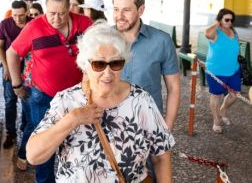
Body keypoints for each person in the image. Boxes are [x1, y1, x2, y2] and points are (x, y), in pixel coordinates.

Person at [26, 23, 175, 182]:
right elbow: (34, 156)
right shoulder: (67, 101)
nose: (108, 73)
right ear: (85, 64)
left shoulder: (141, 100)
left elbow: (160, 157)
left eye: (116, 63)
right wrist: (72, 119)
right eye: (99, 64)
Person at [6, 0, 92, 182]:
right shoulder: (35, 27)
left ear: (69, 8)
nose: (57, 18)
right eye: (52, 13)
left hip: (78, 96)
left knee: (77, 143)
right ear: (46, 8)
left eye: (62, 13)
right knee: (46, 146)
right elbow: (12, 53)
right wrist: (16, 83)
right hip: (44, 97)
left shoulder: (85, 24)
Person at [112, 0, 180, 131]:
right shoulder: (101, 39)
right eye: (116, 9)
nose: (119, 16)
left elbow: (174, 87)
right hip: (110, 124)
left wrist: (166, 130)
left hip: (149, 125)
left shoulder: (162, 41)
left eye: (126, 10)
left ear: (141, 10)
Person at [0, 0, 32, 153]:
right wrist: (6, 67)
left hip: (29, 70)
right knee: (10, 101)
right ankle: (10, 132)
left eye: (21, 15)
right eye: (14, 15)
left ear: (27, 12)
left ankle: (26, 129)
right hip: (9, 68)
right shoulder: (4, 24)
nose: (17, 19)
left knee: (27, 101)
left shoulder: (33, 24)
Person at [205, 8, 240, 133]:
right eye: (226, 19)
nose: (229, 22)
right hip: (216, 71)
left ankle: (223, 109)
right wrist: (216, 23)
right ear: (220, 19)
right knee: (216, 95)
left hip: (233, 70)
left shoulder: (233, 32)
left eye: (231, 20)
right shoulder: (216, 32)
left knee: (234, 94)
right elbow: (207, 34)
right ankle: (216, 121)